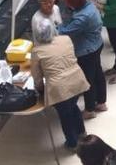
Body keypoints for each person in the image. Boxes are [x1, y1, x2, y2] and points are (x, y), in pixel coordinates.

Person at [31, 18, 89, 149]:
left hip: (58, 87)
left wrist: (40, 89)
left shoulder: (37, 50)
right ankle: (82, 134)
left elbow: (37, 76)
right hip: (77, 80)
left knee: (65, 115)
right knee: (73, 107)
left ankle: (73, 144)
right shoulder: (66, 39)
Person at [59, 0, 107, 120]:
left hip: (86, 51)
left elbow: (65, 32)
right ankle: (101, 102)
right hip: (97, 44)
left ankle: (90, 109)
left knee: (87, 81)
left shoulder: (82, 17)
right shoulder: (90, 5)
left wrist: (54, 26)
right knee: (98, 74)